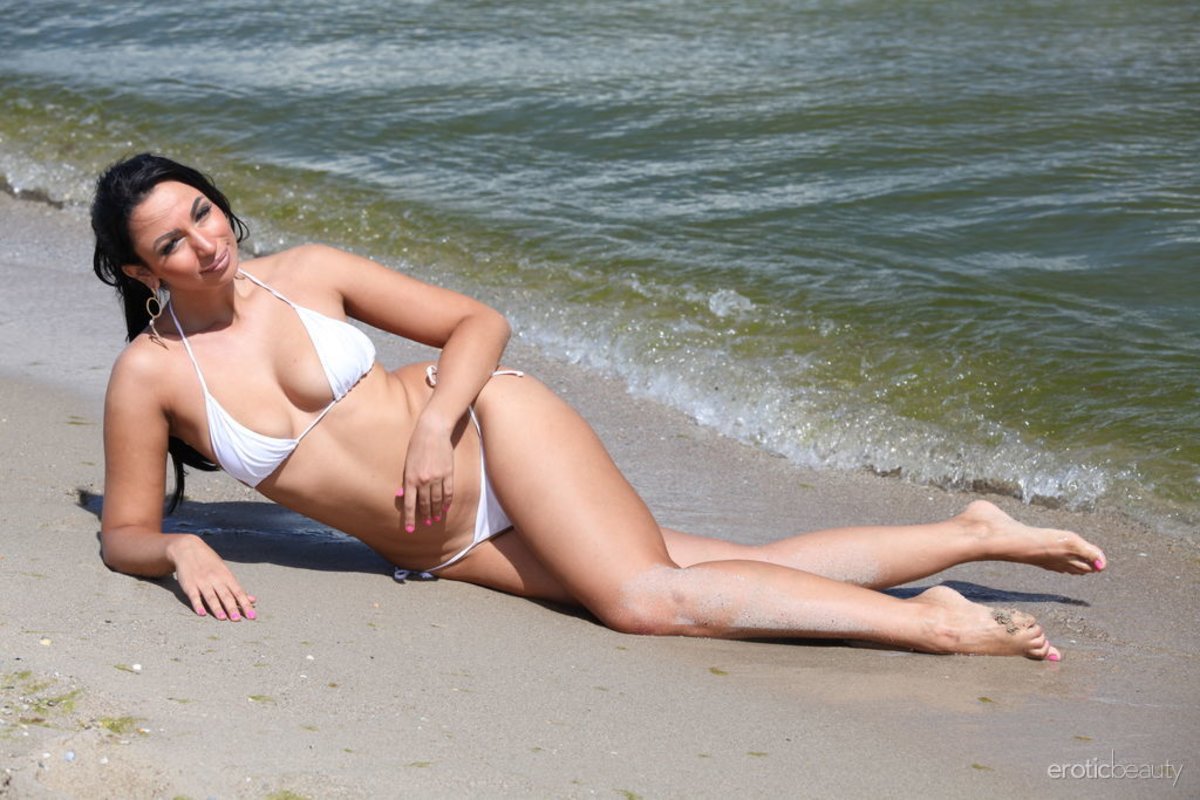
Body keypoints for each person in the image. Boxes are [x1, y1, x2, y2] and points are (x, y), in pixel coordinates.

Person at [92, 153, 1107, 661]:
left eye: (202, 210)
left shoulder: (309, 271)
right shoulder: (152, 374)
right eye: (171, 241)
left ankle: (934, 623)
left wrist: (439, 426)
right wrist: (181, 549)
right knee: (718, 570)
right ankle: (969, 532)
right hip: (448, 543)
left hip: (494, 431)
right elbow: (126, 530)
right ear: (141, 271)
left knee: (642, 600)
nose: (206, 240)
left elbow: (479, 323)